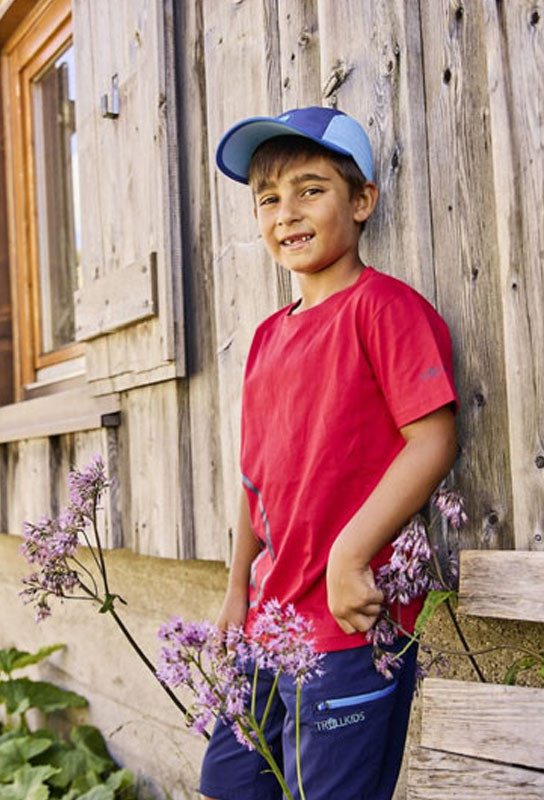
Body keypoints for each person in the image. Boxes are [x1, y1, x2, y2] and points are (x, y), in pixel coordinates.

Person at [201, 106, 459, 800]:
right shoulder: (266, 338)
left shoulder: (385, 309)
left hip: (349, 625)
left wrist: (349, 554)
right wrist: (236, 590)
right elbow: (256, 480)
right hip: (270, 622)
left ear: (362, 200)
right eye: (268, 199)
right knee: (228, 785)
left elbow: (433, 438)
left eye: (310, 190)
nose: (286, 212)